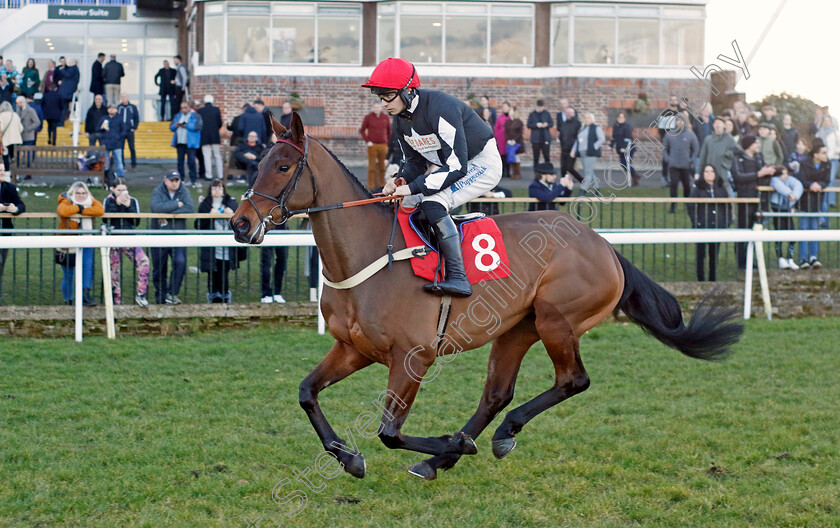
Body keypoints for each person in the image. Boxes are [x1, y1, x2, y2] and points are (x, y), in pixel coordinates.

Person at [363, 57, 502, 297]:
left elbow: (458, 166)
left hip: (480, 163)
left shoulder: (440, 107)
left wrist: (415, 186)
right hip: (450, 166)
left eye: (387, 95)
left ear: (407, 90)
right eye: (380, 97)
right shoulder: (400, 121)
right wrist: (400, 181)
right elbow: (415, 163)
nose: (384, 103)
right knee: (404, 202)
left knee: (433, 203)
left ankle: (458, 277)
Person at [150, 169, 195, 304]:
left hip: (178, 236)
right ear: (165, 181)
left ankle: (172, 293)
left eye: (177, 180)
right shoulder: (158, 191)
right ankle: (161, 296)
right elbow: (155, 208)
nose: (175, 183)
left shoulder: (184, 191)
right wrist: (176, 204)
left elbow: (189, 208)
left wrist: (167, 212)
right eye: (172, 180)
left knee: (180, 262)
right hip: (159, 236)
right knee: (159, 267)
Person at [195, 179, 244, 303]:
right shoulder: (205, 204)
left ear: (223, 190)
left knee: (223, 272)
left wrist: (232, 214)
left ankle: (225, 295)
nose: (217, 190)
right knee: (212, 272)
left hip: (227, 245)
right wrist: (209, 217)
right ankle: (213, 295)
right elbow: (198, 224)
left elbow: (240, 222)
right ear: (210, 190)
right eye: (214, 188)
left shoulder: (231, 202)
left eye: (219, 188)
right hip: (211, 245)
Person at [731, 135, 776, 270]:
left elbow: (761, 175)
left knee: (754, 230)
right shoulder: (737, 158)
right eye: (756, 142)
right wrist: (759, 174)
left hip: (758, 199)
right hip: (745, 198)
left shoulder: (759, 158)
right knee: (743, 231)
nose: (758, 145)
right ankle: (741, 262)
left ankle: (751, 260)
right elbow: (738, 177)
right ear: (748, 144)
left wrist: (769, 172)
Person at [103, 178, 150, 306]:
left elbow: (136, 222)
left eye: (124, 190)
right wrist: (117, 205)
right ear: (112, 189)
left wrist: (129, 207)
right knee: (114, 271)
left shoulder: (133, 201)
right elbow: (106, 220)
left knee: (144, 262)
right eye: (119, 190)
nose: (122, 192)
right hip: (113, 240)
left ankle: (141, 294)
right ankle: (116, 300)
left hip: (129, 238)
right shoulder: (108, 201)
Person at [56, 181, 104, 306]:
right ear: (73, 193)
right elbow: (63, 212)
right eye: (78, 193)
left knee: (87, 267)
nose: (81, 195)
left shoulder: (91, 201)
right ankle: (68, 299)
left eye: (84, 193)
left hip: (86, 238)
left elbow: (100, 210)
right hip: (69, 241)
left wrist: (82, 211)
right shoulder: (65, 200)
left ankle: (85, 295)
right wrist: (79, 207)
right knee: (69, 273)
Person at [686, 165, 730, 282]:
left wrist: (725, 222)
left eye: (711, 171)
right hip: (702, 226)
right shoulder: (697, 189)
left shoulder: (721, 189)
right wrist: (696, 221)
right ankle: (700, 279)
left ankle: (712, 279)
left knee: (714, 254)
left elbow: (727, 207)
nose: (709, 173)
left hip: (717, 226)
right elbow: (690, 206)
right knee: (700, 254)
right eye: (706, 171)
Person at [796, 142, 830, 269]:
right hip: (805, 201)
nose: (826, 155)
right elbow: (802, 179)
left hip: (817, 200)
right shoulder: (805, 164)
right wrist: (811, 185)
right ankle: (803, 258)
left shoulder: (827, 164)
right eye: (824, 153)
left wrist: (819, 185)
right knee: (803, 229)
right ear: (816, 154)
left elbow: (826, 180)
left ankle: (813, 257)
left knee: (814, 229)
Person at [662, 114, 699, 212]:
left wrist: (692, 159)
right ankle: (673, 206)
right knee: (673, 185)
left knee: (687, 186)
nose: (679, 122)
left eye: (681, 121)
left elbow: (696, 148)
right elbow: (664, 148)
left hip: (686, 166)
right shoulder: (669, 134)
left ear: (685, 122)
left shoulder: (690, 134)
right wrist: (667, 159)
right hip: (673, 165)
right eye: (678, 121)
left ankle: (687, 205)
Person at [768, 166, 803, 270]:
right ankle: (781, 258)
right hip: (778, 209)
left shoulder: (789, 180)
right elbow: (780, 187)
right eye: (783, 174)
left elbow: (798, 185)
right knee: (779, 233)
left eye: (787, 173)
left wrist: (795, 195)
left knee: (791, 233)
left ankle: (790, 258)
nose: (786, 176)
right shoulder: (774, 180)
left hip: (787, 208)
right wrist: (790, 194)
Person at [0, 164, 25, 303]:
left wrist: (15, 209)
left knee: (1, 263)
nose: (2, 173)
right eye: (0, 171)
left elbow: (21, 205)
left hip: (5, 233)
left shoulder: (10, 188)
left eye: (4, 170)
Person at [697, 116, 737, 195]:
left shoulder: (730, 139)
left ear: (724, 125)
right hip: (710, 174)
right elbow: (703, 157)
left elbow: (735, 154)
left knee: (727, 196)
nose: (717, 125)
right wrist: (698, 172)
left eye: (719, 123)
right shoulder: (708, 139)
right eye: (715, 123)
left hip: (724, 173)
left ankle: (730, 207)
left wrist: (726, 154)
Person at [571, 112, 605, 193]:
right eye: (585, 117)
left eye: (589, 117)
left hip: (591, 153)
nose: (587, 119)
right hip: (583, 153)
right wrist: (573, 150)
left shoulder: (596, 128)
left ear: (592, 119)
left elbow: (602, 139)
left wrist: (594, 146)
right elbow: (577, 141)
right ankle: (597, 189)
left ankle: (583, 190)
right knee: (589, 171)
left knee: (588, 172)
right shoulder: (583, 129)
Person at [359, 102, 391, 189]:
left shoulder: (385, 117)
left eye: (378, 107)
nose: (376, 109)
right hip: (372, 145)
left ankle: (381, 185)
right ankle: (371, 186)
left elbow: (389, 131)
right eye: (375, 107)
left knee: (382, 167)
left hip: (383, 145)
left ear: (381, 108)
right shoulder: (368, 117)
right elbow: (362, 130)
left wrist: (387, 142)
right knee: (372, 167)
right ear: (372, 108)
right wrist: (368, 141)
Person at [170, 101, 202, 186]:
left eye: (185, 107)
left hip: (190, 143)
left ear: (189, 108)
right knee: (180, 162)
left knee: (191, 161)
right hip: (180, 142)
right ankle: (181, 179)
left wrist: (186, 125)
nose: (183, 110)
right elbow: (171, 127)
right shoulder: (178, 116)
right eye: (182, 108)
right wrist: (176, 125)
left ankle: (193, 179)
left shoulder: (196, 116)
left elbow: (198, 127)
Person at [814, 115, 839, 213]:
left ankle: (831, 201)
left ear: (832, 122)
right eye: (825, 121)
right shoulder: (819, 133)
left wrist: (830, 153)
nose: (827, 122)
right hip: (821, 159)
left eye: (829, 121)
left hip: (832, 159)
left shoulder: (836, 133)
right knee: (822, 179)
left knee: (831, 179)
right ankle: (823, 199)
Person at [198, 94, 224, 181]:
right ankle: (220, 175)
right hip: (215, 136)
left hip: (204, 136)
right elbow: (220, 123)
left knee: (207, 156)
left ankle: (208, 175)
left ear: (204, 101)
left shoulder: (200, 111)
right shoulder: (216, 110)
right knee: (217, 156)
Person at [610, 111, 638, 186]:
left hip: (628, 148)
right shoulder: (616, 126)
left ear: (625, 118)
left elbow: (628, 138)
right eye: (619, 117)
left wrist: (624, 147)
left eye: (622, 117)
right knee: (623, 164)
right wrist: (611, 144)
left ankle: (634, 177)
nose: (620, 118)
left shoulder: (627, 126)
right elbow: (614, 137)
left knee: (627, 164)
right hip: (620, 148)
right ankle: (635, 176)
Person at [99, 104, 126, 180]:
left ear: (116, 110)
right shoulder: (103, 118)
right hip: (106, 143)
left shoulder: (119, 119)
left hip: (117, 144)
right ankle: (106, 178)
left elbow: (124, 131)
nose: (112, 110)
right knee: (105, 162)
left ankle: (121, 178)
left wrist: (118, 137)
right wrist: (101, 128)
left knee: (119, 161)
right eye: (110, 108)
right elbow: (97, 129)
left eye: (114, 108)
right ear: (108, 110)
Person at [557, 106, 583, 182]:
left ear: (573, 114)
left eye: (570, 113)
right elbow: (561, 135)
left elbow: (579, 137)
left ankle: (582, 180)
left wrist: (575, 149)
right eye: (567, 113)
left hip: (572, 149)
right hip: (564, 149)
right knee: (563, 168)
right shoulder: (564, 123)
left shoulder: (577, 124)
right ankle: (564, 183)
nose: (568, 114)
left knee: (570, 168)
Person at [526, 99, 553, 167]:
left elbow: (551, 123)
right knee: (536, 157)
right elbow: (528, 125)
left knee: (547, 157)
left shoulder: (547, 113)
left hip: (545, 138)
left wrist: (546, 125)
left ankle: (547, 173)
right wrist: (536, 125)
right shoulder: (532, 114)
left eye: (542, 107)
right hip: (536, 139)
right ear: (537, 106)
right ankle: (537, 174)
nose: (540, 108)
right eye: (539, 107)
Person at [117, 93, 139, 170]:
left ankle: (134, 164)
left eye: (125, 96)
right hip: (121, 131)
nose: (123, 98)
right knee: (121, 148)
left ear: (128, 97)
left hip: (130, 131)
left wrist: (134, 127)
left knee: (132, 147)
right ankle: (122, 165)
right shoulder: (118, 107)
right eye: (122, 97)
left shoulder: (133, 107)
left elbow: (136, 118)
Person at [0, 101, 23, 171]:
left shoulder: (1, 116)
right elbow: (21, 128)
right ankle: (16, 173)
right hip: (16, 140)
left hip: (6, 141)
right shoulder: (15, 115)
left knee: (5, 157)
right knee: (15, 157)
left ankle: (7, 172)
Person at [504, 106, 524, 180]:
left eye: (510, 110)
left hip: (517, 143)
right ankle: (514, 173)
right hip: (510, 143)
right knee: (511, 157)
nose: (509, 111)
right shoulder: (507, 122)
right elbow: (506, 132)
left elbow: (520, 133)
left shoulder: (519, 122)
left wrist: (514, 140)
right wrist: (508, 140)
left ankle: (517, 173)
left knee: (516, 158)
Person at [494, 101, 511, 179]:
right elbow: (496, 128)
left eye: (506, 107)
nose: (504, 108)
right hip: (501, 140)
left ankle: (508, 172)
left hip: (509, 139)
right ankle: (503, 172)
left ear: (509, 108)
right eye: (503, 107)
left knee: (509, 156)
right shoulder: (500, 117)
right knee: (502, 156)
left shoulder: (511, 117)